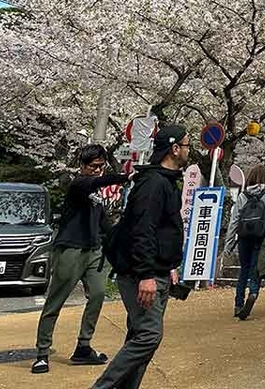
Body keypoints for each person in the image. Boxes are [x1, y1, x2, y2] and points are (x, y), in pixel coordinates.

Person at [91, 125, 187, 389]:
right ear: (175, 148)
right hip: (142, 274)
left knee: (139, 335)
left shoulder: (163, 180)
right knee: (148, 336)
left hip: (156, 269)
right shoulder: (154, 183)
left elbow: (162, 230)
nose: (190, 150)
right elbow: (142, 230)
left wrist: (168, 265)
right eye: (187, 145)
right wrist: (146, 274)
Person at [31, 144, 130, 374]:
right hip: (70, 249)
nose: (98, 171)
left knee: (97, 294)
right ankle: (42, 352)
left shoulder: (96, 195)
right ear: (83, 166)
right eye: (94, 166)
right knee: (55, 301)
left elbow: (104, 223)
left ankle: (83, 347)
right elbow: (92, 183)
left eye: (101, 167)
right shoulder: (78, 184)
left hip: (94, 251)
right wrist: (124, 176)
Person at [224, 164, 265, 320]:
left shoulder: (243, 195)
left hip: (243, 237)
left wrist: (228, 244)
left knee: (244, 269)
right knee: (256, 269)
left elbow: (234, 221)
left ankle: (238, 304)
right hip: (260, 238)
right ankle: (253, 293)